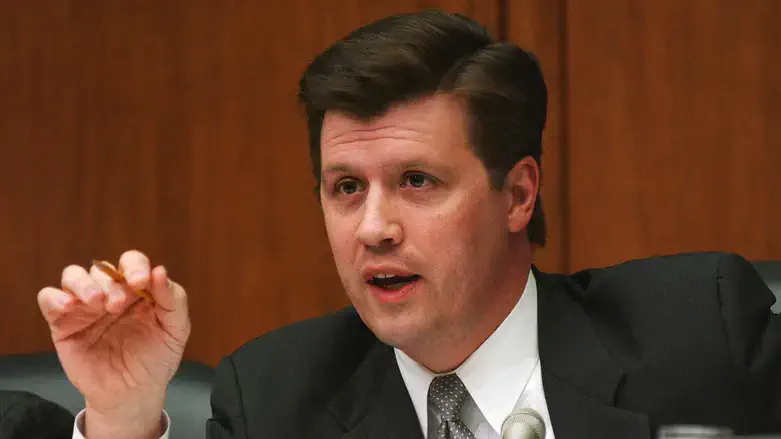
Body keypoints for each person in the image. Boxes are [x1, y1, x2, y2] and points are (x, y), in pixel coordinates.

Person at [36, 10, 780, 439]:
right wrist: (123, 417)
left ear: (517, 194)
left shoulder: (695, 330)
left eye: (416, 181)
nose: (373, 227)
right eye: (346, 188)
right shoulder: (273, 400)